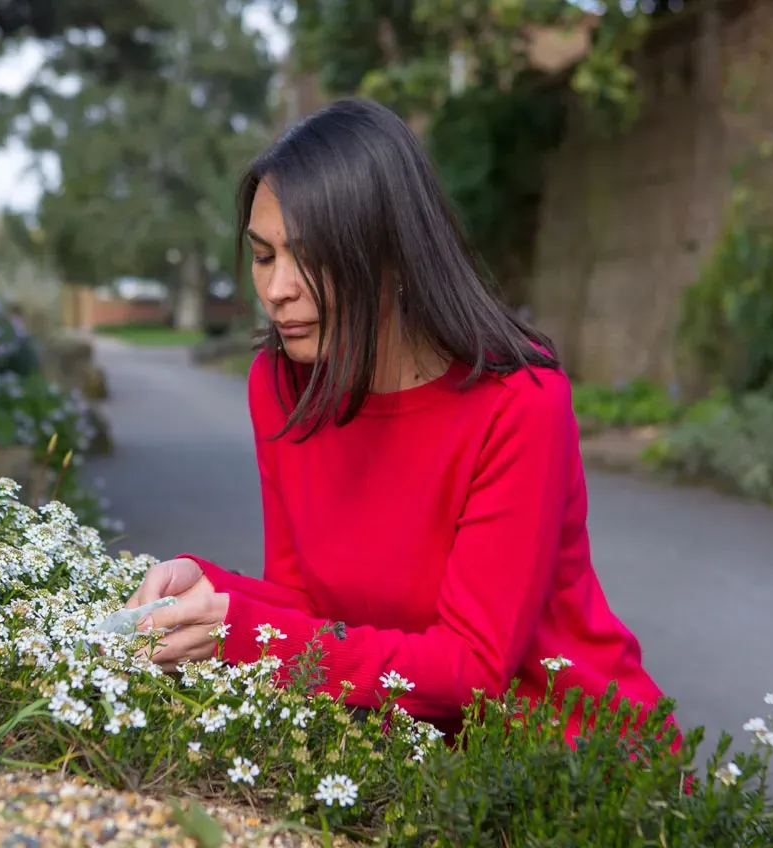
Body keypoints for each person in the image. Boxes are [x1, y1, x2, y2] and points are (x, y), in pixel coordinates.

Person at [123, 98, 669, 740]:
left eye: (308, 257)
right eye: (264, 255)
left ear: (395, 258)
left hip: (570, 762)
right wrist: (203, 587)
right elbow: (312, 610)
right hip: (405, 749)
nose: (276, 290)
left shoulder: (519, 401)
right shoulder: (282, 384)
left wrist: (244, 636)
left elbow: (473, 668)